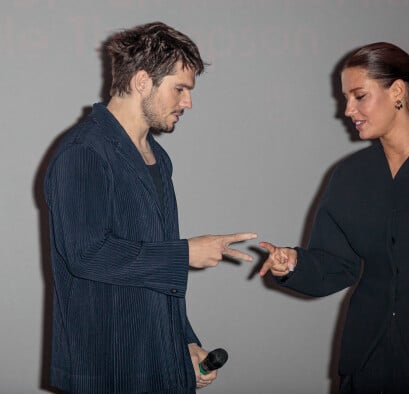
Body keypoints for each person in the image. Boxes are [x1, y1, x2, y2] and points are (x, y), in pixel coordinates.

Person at [259, 42, 409, 394]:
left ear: (398, 91)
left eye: (359, 96)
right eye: (346, 98)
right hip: (368, 360)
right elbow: (335, 265)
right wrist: (293, 264)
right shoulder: (348, 175)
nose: (348, 110)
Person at [44, 22, 257, 393]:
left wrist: (184, 342)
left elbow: (154, 271)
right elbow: (85, 254)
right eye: (180, 89)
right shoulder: (83, 152)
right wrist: (186, 252)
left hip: (159, 362)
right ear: (142, 80)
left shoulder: (157, 156)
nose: (188, 102)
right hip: (109, 371)